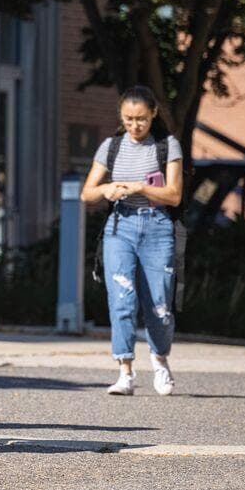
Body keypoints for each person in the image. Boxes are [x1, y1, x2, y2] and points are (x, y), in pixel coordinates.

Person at [80, 85, 183, 396]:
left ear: (153, 114)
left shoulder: (167, 146)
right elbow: (87, 192)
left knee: (160, 305)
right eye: (128, 119)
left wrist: (139, 187)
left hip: (157, 227)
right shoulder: (110, 147)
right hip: (120, 228)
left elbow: (174, 195)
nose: (135, 126)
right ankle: (125, 371)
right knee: (121, 301)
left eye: (140, 119)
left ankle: (160, 359)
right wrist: (106, 190)